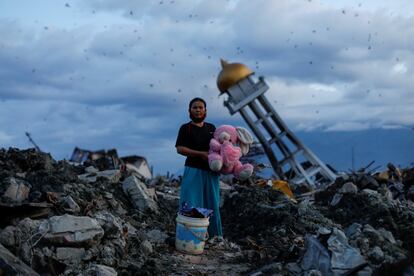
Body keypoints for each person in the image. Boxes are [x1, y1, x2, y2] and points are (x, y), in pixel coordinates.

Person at [175, 97, 222, 238]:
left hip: (211, 172)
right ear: (189, 110)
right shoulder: (185, 128)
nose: (198, 110)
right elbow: (180, 149)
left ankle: (215, 237)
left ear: (205, 110)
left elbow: (219, 147)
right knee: (191, 202)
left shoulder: (211, 128)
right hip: (193, 169)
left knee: (212, 203)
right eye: (195, 107)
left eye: (200, 107)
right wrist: (200, 154)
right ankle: (190, 237)